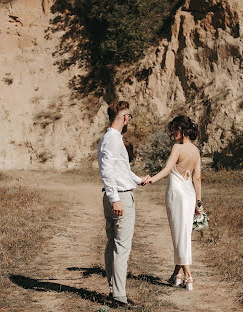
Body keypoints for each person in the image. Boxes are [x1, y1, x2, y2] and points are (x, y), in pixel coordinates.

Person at [97, 100, 150, 308]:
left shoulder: (112, 139)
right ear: (124, 117)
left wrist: (138, 180)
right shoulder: (112, 140)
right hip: (119, 198)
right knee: (121, 247)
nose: (130, 119)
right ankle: (119, 296)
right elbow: (107, 172)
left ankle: (114, 290)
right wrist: (115, 199)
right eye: (129, 116)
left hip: (116, 194)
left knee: (112, 244)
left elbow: (121, 169)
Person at [147, 115, 202, 291]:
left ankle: (189, 276)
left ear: (182, 130)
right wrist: (199, 202)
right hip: (189, 194)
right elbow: (197, 178)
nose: (172, 132)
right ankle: (177, 275)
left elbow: (168, 169)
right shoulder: (196, 151)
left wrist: (152, 179)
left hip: (176, 193)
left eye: (174, 129)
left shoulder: (177, 147)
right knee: (183, 233)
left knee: (178, 234)